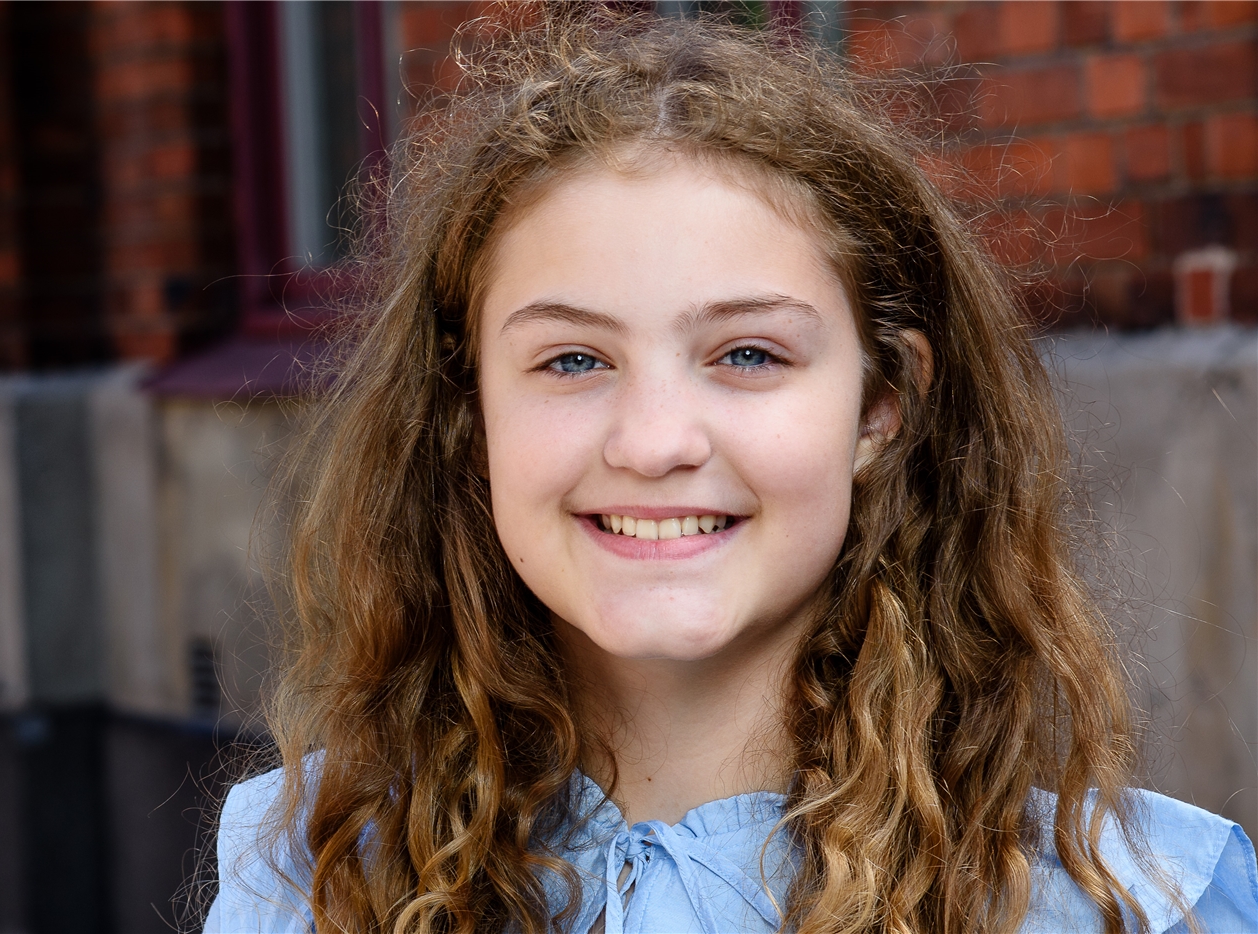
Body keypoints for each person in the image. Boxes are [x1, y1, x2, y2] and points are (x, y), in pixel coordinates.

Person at [204, 12, 1257, 934]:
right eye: (572, 360)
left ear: (879, 406)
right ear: (467, 410)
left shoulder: (1129, 904)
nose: (653, 441)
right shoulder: (311, 876)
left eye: (747, 354)